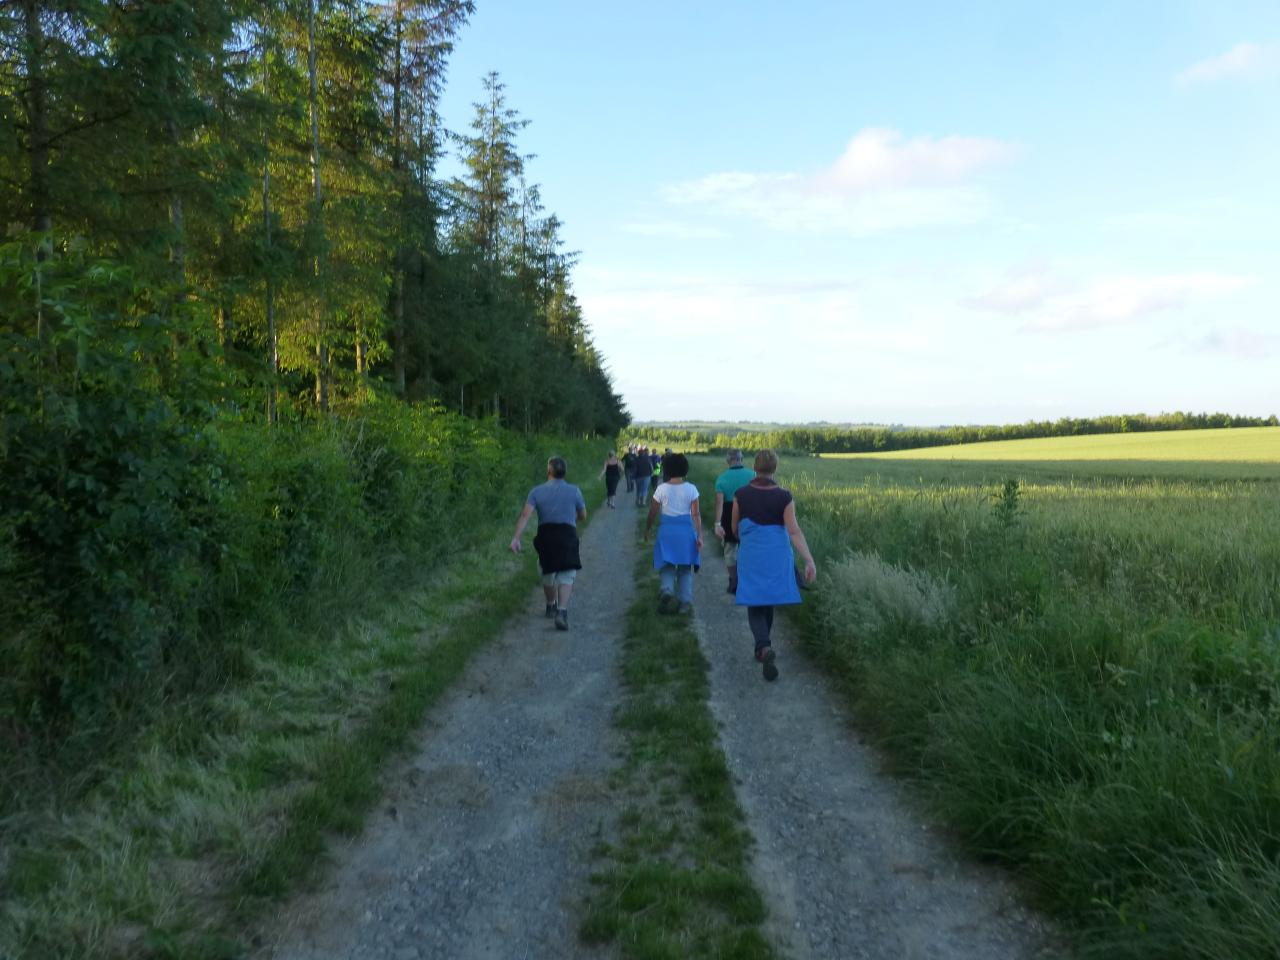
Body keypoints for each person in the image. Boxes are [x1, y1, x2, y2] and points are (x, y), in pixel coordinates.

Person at [732, 449, 817, 681]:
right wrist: (809, 560)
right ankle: (763, 646)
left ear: (755, 467)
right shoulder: (784, 496)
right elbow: (794, 531)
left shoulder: (741, 494)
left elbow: (734, 528)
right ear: (775, 468)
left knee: (754, 601)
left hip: (752, 555)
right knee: (767, 598)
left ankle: (763, 646)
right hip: (778, 555)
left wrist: (746, 537)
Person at [510, 456, 587, 631]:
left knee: (548, 572)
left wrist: (516, 538)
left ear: (548, 471)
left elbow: (525, 515)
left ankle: (551, 605)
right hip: (567, 534)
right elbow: (583, 515)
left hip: (546, 536)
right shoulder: (574, 491)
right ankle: (562, 611)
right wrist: (571, 520)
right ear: (565, 472)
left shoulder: (536, 492)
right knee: (567, 573)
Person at [644, 453, 702, 614]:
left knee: (667, 564)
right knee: (685, 568)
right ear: (685, 469)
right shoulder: (692, 489)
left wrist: (648, 529)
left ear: (666, 469)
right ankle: (684, 602)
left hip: (667, 531)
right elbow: (696, 514)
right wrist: (699, 535)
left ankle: (667, 588)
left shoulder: (661, 489)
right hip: (686, 532)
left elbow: (652, 513)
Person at [712, 449, 754, 594]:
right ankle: (748, 581)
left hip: (728, 516)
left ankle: (734, 580)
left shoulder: (722, 478)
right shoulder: (752, 475)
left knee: (730, 550)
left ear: (728, 460)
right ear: (741, 459)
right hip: (749, 515)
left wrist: (717, 524)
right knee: (748, 548)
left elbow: (719, 503)